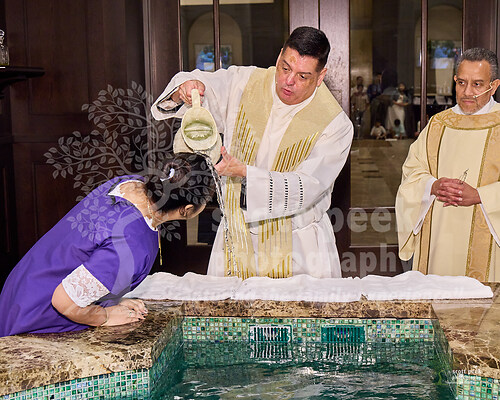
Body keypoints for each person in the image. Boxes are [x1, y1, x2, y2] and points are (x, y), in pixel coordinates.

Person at [152, 26, 353, 279]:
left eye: (303, 76)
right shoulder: (247, 82)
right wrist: (188, 87)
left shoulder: (335, 124)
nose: (288, 81)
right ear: (279, 56)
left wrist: (245, 173)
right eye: (285, 67)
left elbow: (307, 187)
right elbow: (206, 85)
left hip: (299, 247)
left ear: (321, 75)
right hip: (237, 234)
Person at [0, 153, 215, 336]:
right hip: (34, 315)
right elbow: (64, 301)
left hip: (22, 287)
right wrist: (104, 315)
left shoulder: (130, 184)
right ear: (188, 209)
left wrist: (107, 300)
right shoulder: (133, 244)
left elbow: (91, 253)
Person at [395, 47, 500, 282]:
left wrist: (481, 195)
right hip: (440, 237)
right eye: (461, 83)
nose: (467, 92)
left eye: (477, 84)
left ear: (494, 86)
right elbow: (412, 171)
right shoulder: (438, 124)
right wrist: (432, 186)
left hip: (490, 241)